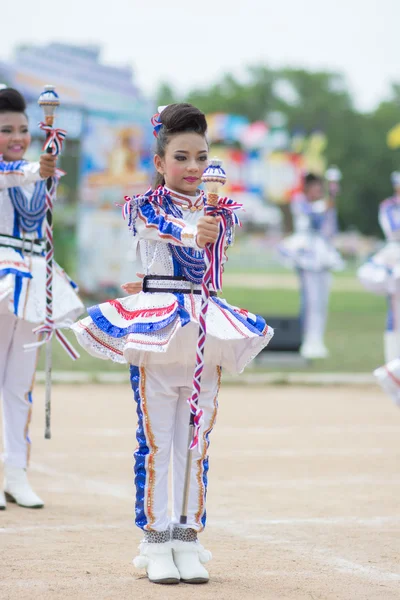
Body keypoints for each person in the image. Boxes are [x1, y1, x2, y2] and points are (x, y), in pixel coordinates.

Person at [72, 103, 273, 585]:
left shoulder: (220, 213)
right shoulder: (143, 205)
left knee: (196, 439)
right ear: (160, 163)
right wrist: (192, 231)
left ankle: (187, 534)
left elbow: (211, 273)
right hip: (159, 328)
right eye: (181, 157)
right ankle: (155, 537)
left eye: (201, 158)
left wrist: (210, 224)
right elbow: (161, 232)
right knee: (158, 440)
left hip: (204, 321)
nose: (192, 168)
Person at [0, 87, 84, 510]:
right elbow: (13, 175)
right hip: (2, 276)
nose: (16, 136)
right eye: (5, 130)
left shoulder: (38, 173)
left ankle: (16, 472)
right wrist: (40, 168)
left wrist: (44, 171)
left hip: (35, 277)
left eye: (22, 128)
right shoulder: (21, 171)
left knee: (19, 384)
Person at [278, 172, 344, 359]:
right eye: (314, 187)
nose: (317, 191)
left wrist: (331, 202)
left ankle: (318, 339)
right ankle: (307, 339)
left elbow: (330, 227)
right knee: (310, 299)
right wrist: (329, 200)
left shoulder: (324, 205)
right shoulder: (299, 200)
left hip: (321, 250)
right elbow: (312, 217)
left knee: (322, 300)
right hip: (305, 250)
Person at [358, 172, 400, 362]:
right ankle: (393, 361)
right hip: (395, 254)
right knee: (395, 308)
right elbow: (393, 229)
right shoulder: (389, 206)